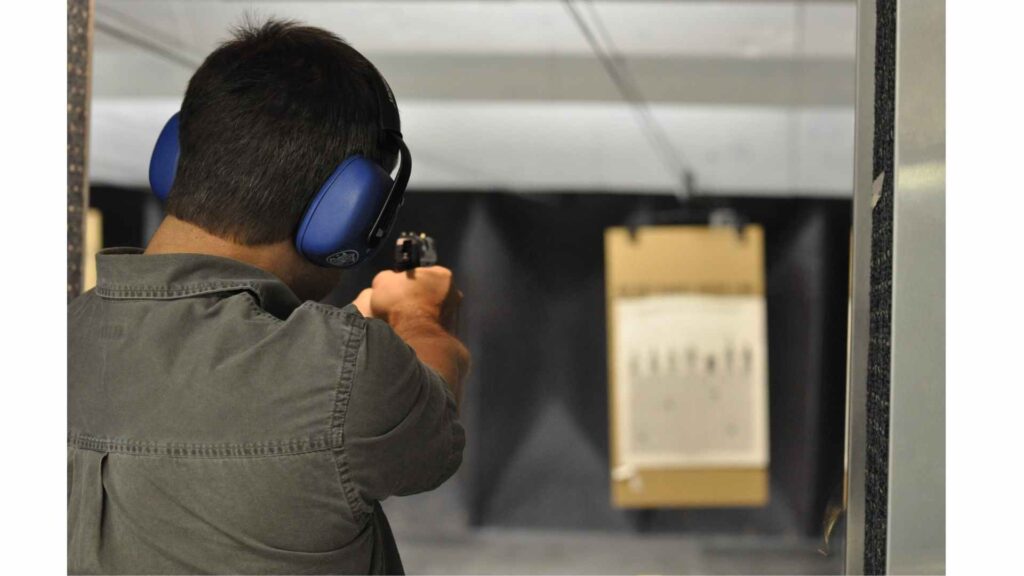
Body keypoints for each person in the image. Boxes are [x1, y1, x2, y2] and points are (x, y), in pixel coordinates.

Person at [67, 19, 469, 575]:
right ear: (350, 215)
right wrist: (421, 315)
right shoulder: (349, 377)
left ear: (174, 157)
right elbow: (433, 429)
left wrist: (336, 351)